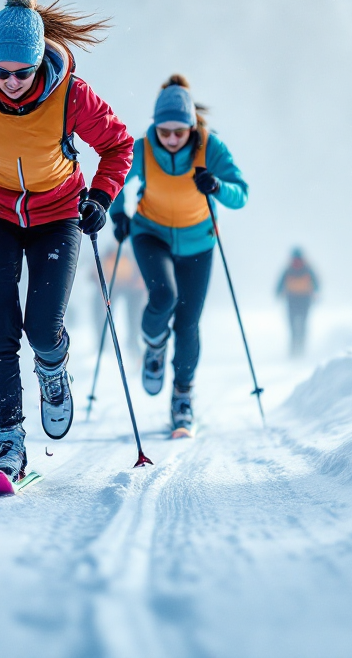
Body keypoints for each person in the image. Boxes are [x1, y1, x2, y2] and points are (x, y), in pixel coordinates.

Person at [0, 0, 133, 484]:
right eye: (0, 71)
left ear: (40, 63)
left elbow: (118, 145)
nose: (11, 82)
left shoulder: (71, 95)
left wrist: (99, 198)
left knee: (41, 327)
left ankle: (53, 369)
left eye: (22, 72)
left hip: (58, 214)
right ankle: (9, 443)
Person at [109, 74, 248, 437]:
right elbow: (115, 181)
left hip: (198, 243)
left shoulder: (209, 148)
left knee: (188, 324)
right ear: (155, 126)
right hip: (150, 233)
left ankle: (182, 399)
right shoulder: (142, 149)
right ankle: (154, 347)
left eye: (179, 132)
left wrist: (217, 187)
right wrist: (118, 214)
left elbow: (241, 193)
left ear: (191, 126)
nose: (171, 139)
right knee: (164, 296)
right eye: (164, 131)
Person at [276, 247, 319, 357]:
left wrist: (278, 293)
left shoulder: (288, 269)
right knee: (303, 325)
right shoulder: (308, 269)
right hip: (304, 300)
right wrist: (316, 294)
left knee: (293, 327)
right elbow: (316, 284)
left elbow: (280, 284)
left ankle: (294, 350)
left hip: (292, 300)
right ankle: (301, 349)